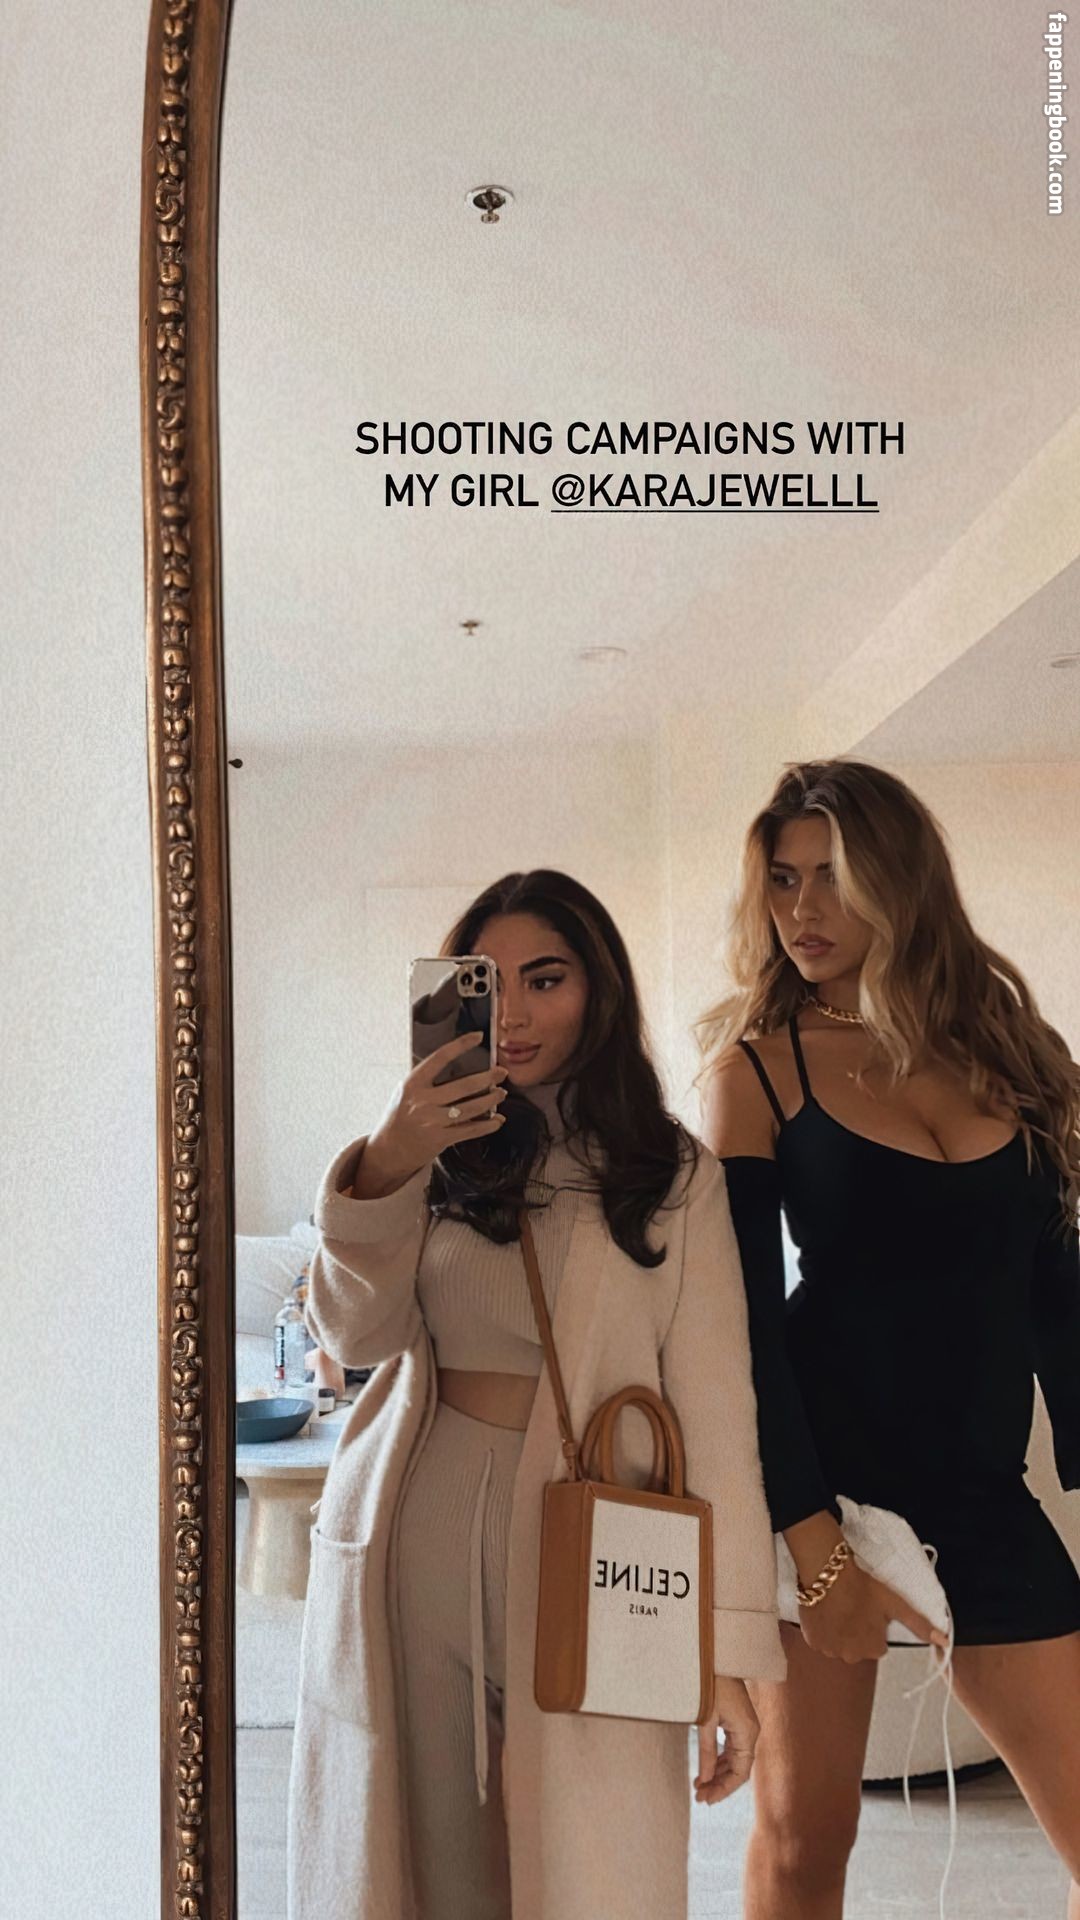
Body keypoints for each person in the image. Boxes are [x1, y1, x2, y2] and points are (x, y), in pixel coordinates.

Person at [286, 869, 785, 1920]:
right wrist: (391, 1162)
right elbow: (351, 1336)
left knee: (590, 1862)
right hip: (417, 1533)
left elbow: (716, 1416)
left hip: (601, 1547)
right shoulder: (426, 1153)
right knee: (430, 1858)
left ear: (598, 989)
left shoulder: (672, 1175)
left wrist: (727, 1655)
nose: (511, 1014)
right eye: (486, 982)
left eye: (545, 980)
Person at [698, 759, 1080, 1920]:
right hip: (830, 1486)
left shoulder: (1013, 1053)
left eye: (834, 877)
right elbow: (743, 1331)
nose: (802, 910)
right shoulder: (758, 1070)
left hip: (983, 1490)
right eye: (783, 880)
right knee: (806, 1841)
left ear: (901, 882)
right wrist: (814, 1551)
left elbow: (1053, 1286)